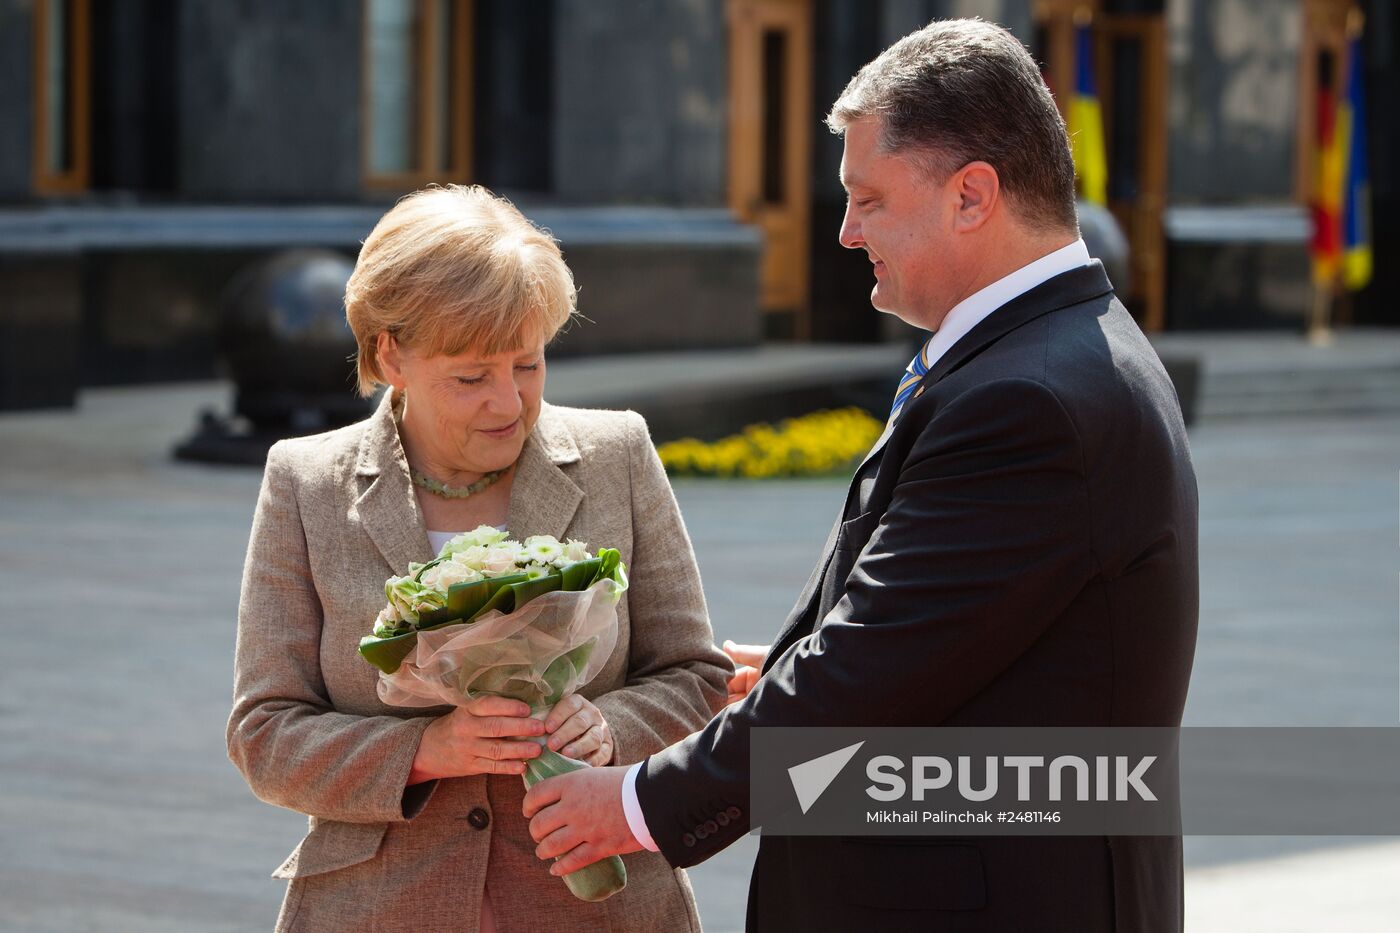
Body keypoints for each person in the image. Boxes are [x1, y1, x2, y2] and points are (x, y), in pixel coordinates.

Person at [522, 19, 1198, 933]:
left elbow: (869, 674)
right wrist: (795, 665)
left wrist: (637, 802)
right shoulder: (1051, 351)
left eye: (868, 198)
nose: (843, 232)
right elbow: (944, 634)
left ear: (971, 195)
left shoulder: (1029, 395)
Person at [226, 185, 731, 933]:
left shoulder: (615, 454)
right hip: (379, 906)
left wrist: (608, 728)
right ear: (391, 352)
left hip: (600, 907)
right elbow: (264, 733)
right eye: (471, 376)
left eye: (528, 364)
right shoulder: (306, 483)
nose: (508, 402)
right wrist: (426, 749)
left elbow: (697, 674)